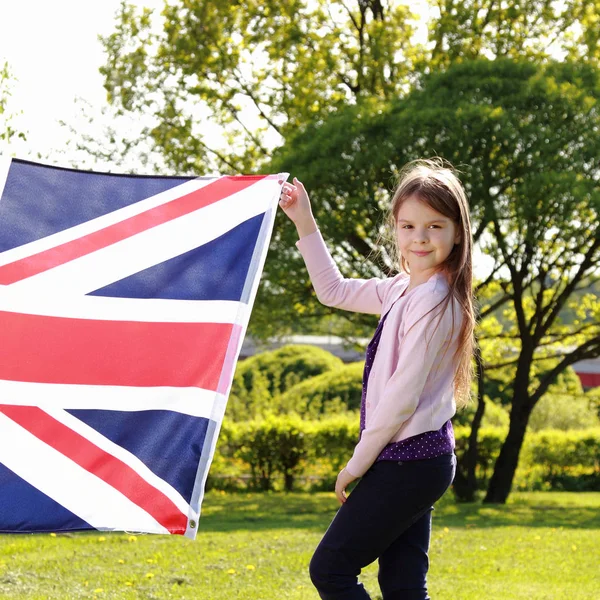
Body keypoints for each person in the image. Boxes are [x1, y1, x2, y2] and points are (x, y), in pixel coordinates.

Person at [278, 157, 475, 600]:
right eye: (408, 226)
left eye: (435, 226)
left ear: (457, 231)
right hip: (418, 460)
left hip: (410, 461)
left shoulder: (435, 302)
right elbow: (334, 290)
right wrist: (304, 221)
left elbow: (400, 400)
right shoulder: (402, 289)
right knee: (403, 586)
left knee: (331, 569)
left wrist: (355, 464)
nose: (419, 238)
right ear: (395, 229)